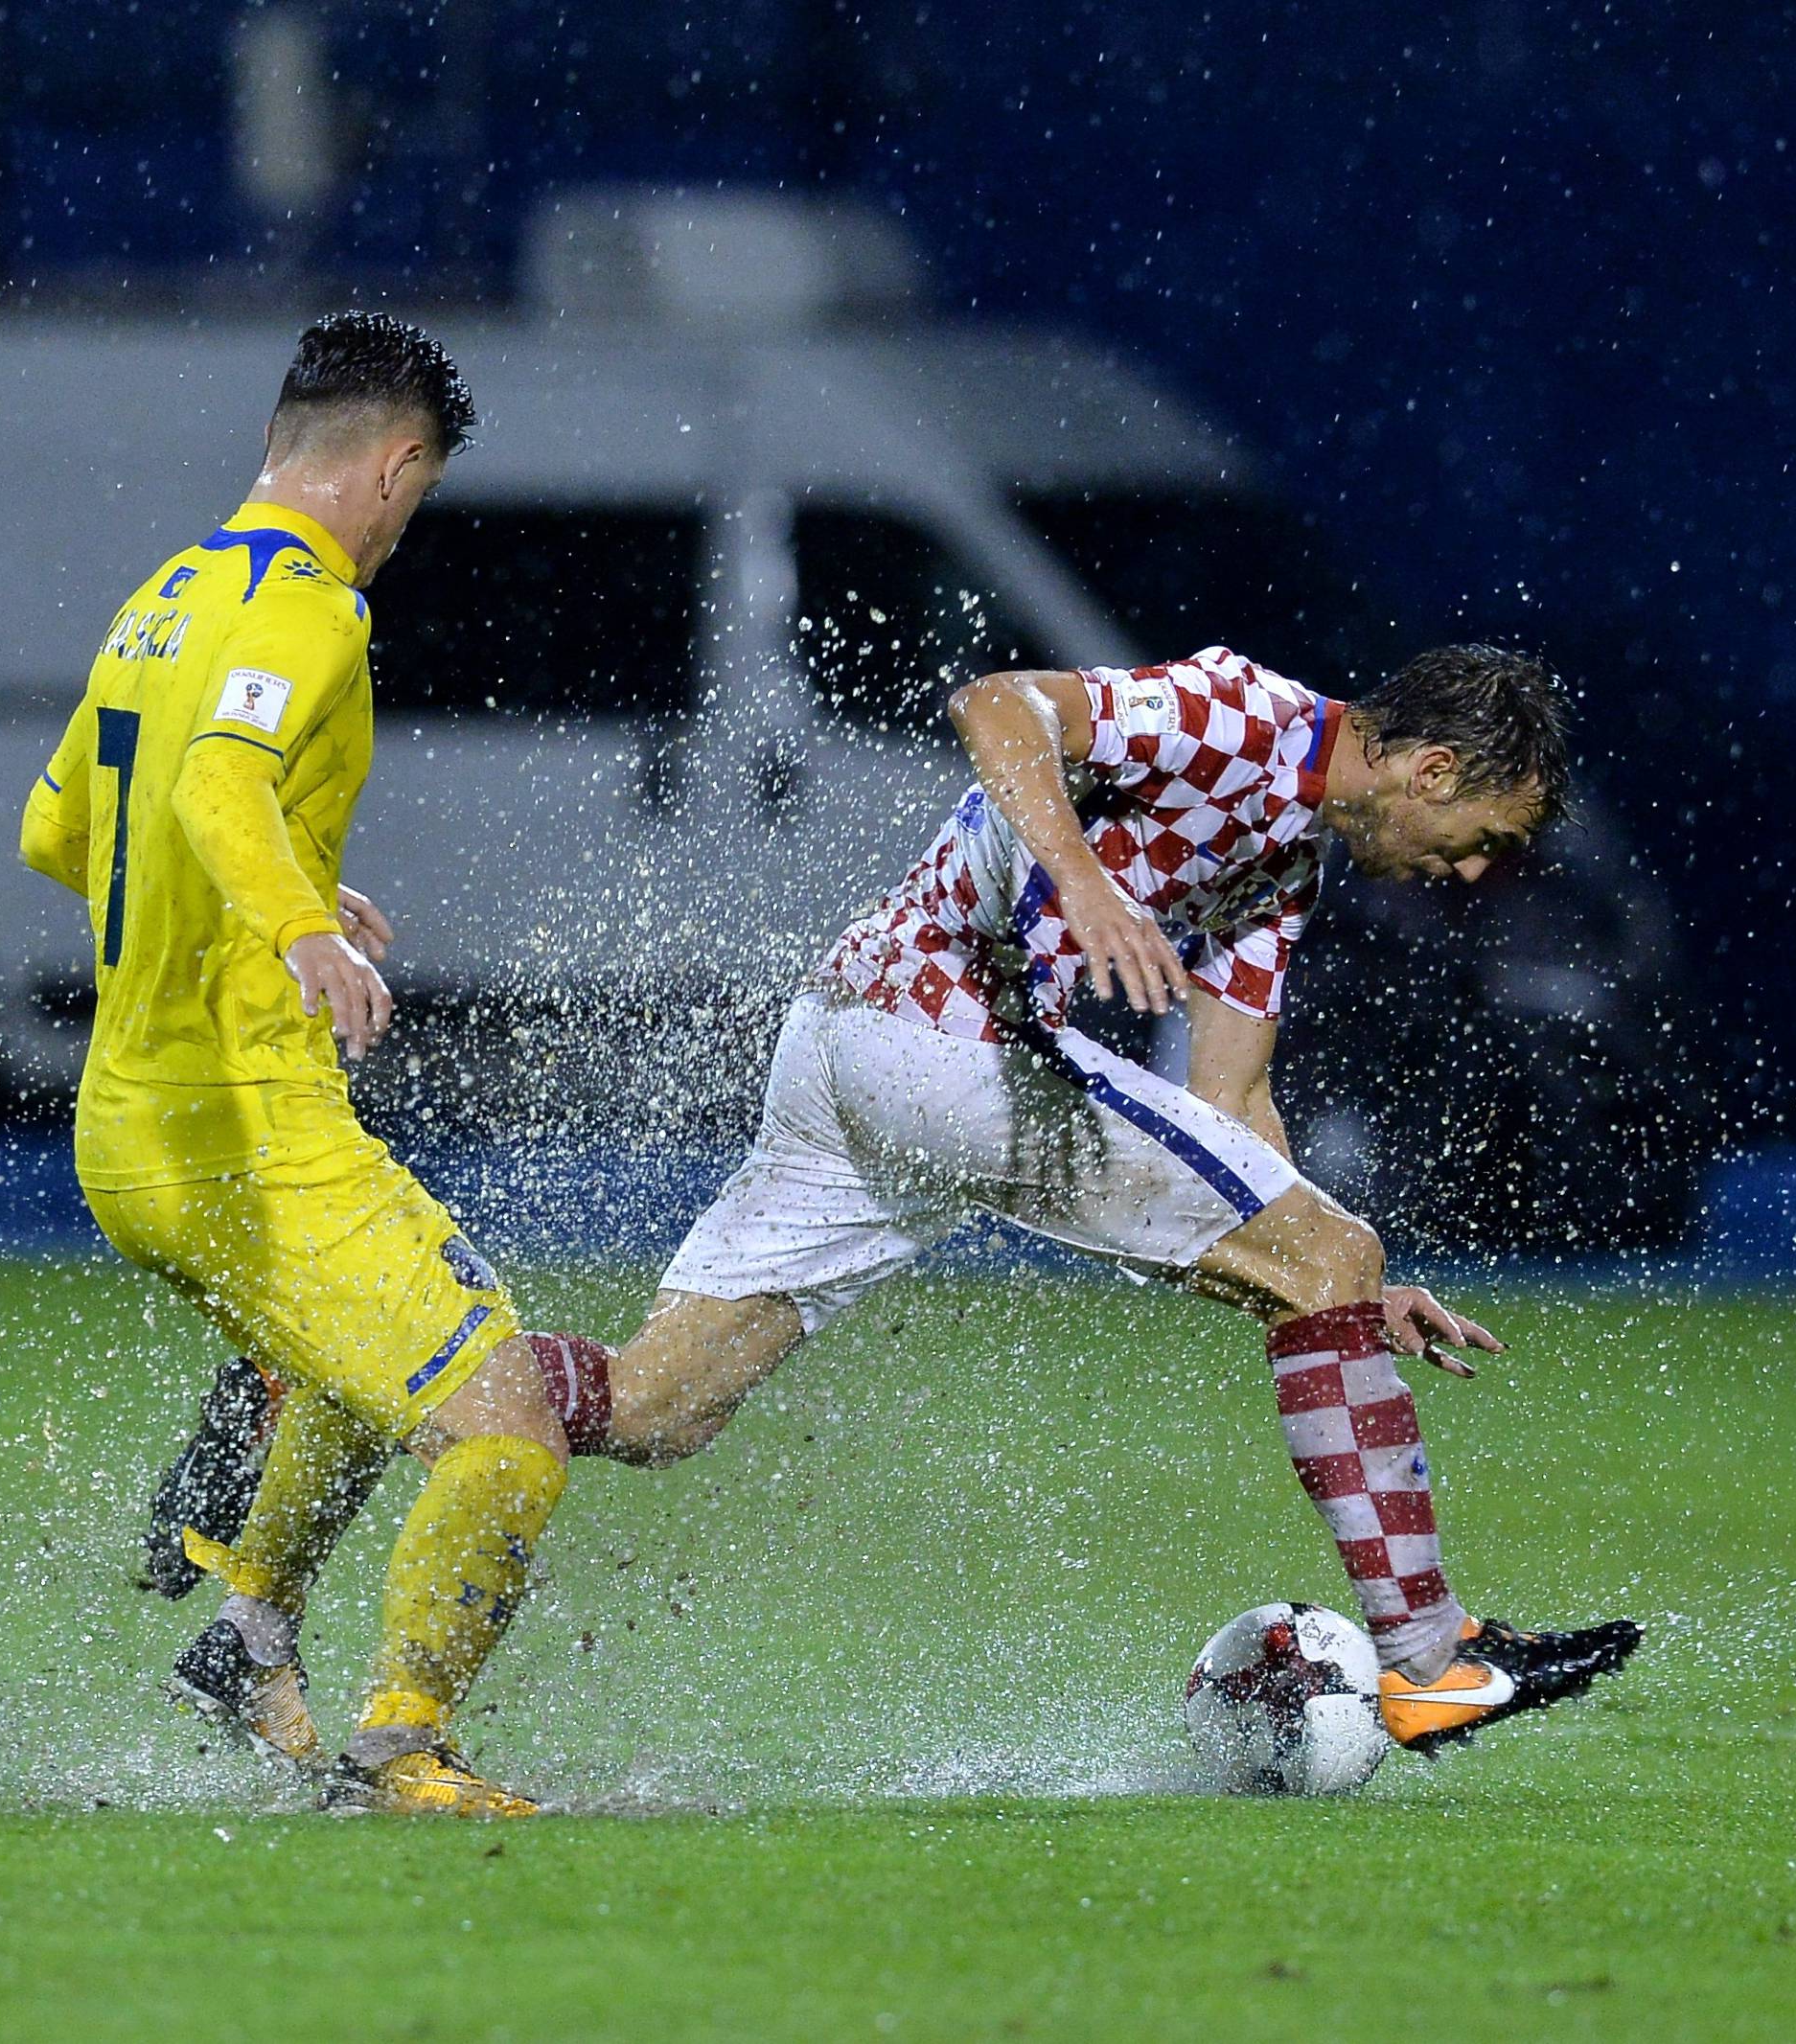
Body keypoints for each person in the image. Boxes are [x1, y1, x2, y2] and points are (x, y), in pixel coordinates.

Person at [148, 641, 1641, 1757]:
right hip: (943, 1038)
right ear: (1435, 768)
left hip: (856, 1036)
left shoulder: (1281, 865)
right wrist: (1088, 881)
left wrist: (1346, 1284)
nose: (1477, 870)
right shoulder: (1251, 717)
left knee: (658, 1407)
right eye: (1489, 834)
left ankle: (334, 1374)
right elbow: (999, 702)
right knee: (1325, 1248)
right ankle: (1429, 1651)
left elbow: (1232, 1107)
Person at [21, 311, 569, 1817]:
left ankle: (247, 1632)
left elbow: (63, 831)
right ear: (394, 467)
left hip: (127, 1129)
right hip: (252, 1130)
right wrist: (297, 931)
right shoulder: (314, 609)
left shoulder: (167, 597)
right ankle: (402, 1749)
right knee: (505, 1426)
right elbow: (218, 781)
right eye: (422, 493)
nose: (409, 525)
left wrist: (281, 893)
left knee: (356, 1369)